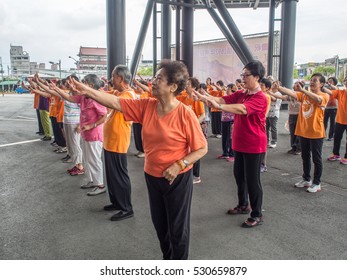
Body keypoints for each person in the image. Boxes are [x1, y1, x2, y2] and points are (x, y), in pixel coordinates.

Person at [68, 59, 208, 260]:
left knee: (177, 229)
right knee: (160, 227)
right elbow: (115, 102)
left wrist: (180, 164)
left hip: (177, 179)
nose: (153, 81)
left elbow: (202, 148)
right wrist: (87, 90)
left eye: (159, 79)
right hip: (153, 177)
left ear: (173, 87)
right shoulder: (147, 106)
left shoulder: (185, 114)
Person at [195, 60, 268, 228]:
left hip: (254, 144)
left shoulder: (260, 97)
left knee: (253, 180)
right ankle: (243, 205)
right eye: (242, 75)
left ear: (257, 77)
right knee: (239, 176)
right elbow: (222, 99)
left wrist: (216, 104)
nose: (243, 78)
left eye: (246, 75)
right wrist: (204, 97)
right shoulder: (243, 93)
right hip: (240, 143)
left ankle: (257, 214)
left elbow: (242, 109)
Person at [274, 73, 329, 192]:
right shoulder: (304, 95)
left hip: (316, 133)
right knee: (305, 156)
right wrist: (279, 88)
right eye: (312, 80)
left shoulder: (324, 95)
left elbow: (318, 99)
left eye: (315, 80)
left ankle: (317, 183)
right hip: (303, 131)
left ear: (322, 84)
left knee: (316, 158)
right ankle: (306, 179)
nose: (312, 82)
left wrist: (303, 90)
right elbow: (291, 93)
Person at [56, 74, 108, 195]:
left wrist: (91, 126)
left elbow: (104, 116)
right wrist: (56, 89)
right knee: (87, 159)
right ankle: (92, 180)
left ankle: (100, 185)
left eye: (83, 82)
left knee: (94, 160)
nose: (81, 84)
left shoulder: (96, 99)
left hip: (94, 134)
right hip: (86, 134)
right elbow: (69, 98)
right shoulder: (84, 97)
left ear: (90, 85)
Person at [101, 65, 136, 221]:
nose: (111, 79)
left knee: (120, 176)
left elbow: (112, 101)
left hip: (118, 142)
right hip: (110, 141)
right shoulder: (118, 92)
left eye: (114, 76)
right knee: (112, 175)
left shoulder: (128, 95)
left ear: (121, 78)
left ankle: (126, 208)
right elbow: (103, 95)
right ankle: (116, 202)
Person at [177, 77, 206, 184]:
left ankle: (196, 175)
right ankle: (187, 172)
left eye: (188, 84)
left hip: (194, 129)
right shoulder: (183, 97)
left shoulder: (196, 99)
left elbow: (203, 115)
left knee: (196, 151)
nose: (186, 86)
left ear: (193, 87)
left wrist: (194, 124)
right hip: (183, 129)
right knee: (186, 150)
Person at [325, 77, 347, 165]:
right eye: (345, 80)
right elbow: (331, 92)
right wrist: (322, 86)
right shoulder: (341, 92)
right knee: (337, 137)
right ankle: (336, 154)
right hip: (340, 120)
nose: (346, 82)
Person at [324, 77, 338, 141]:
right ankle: (322, 134)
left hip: (334, 108)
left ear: (334, 82)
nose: (329, 82)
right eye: (329, 81)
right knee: (324, 122)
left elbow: (335, 89)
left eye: (331, 81)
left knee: (332, 123)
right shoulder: (327, 89)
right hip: (326, 108)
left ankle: (331, 136)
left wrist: (329, 84)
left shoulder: (336, 89)